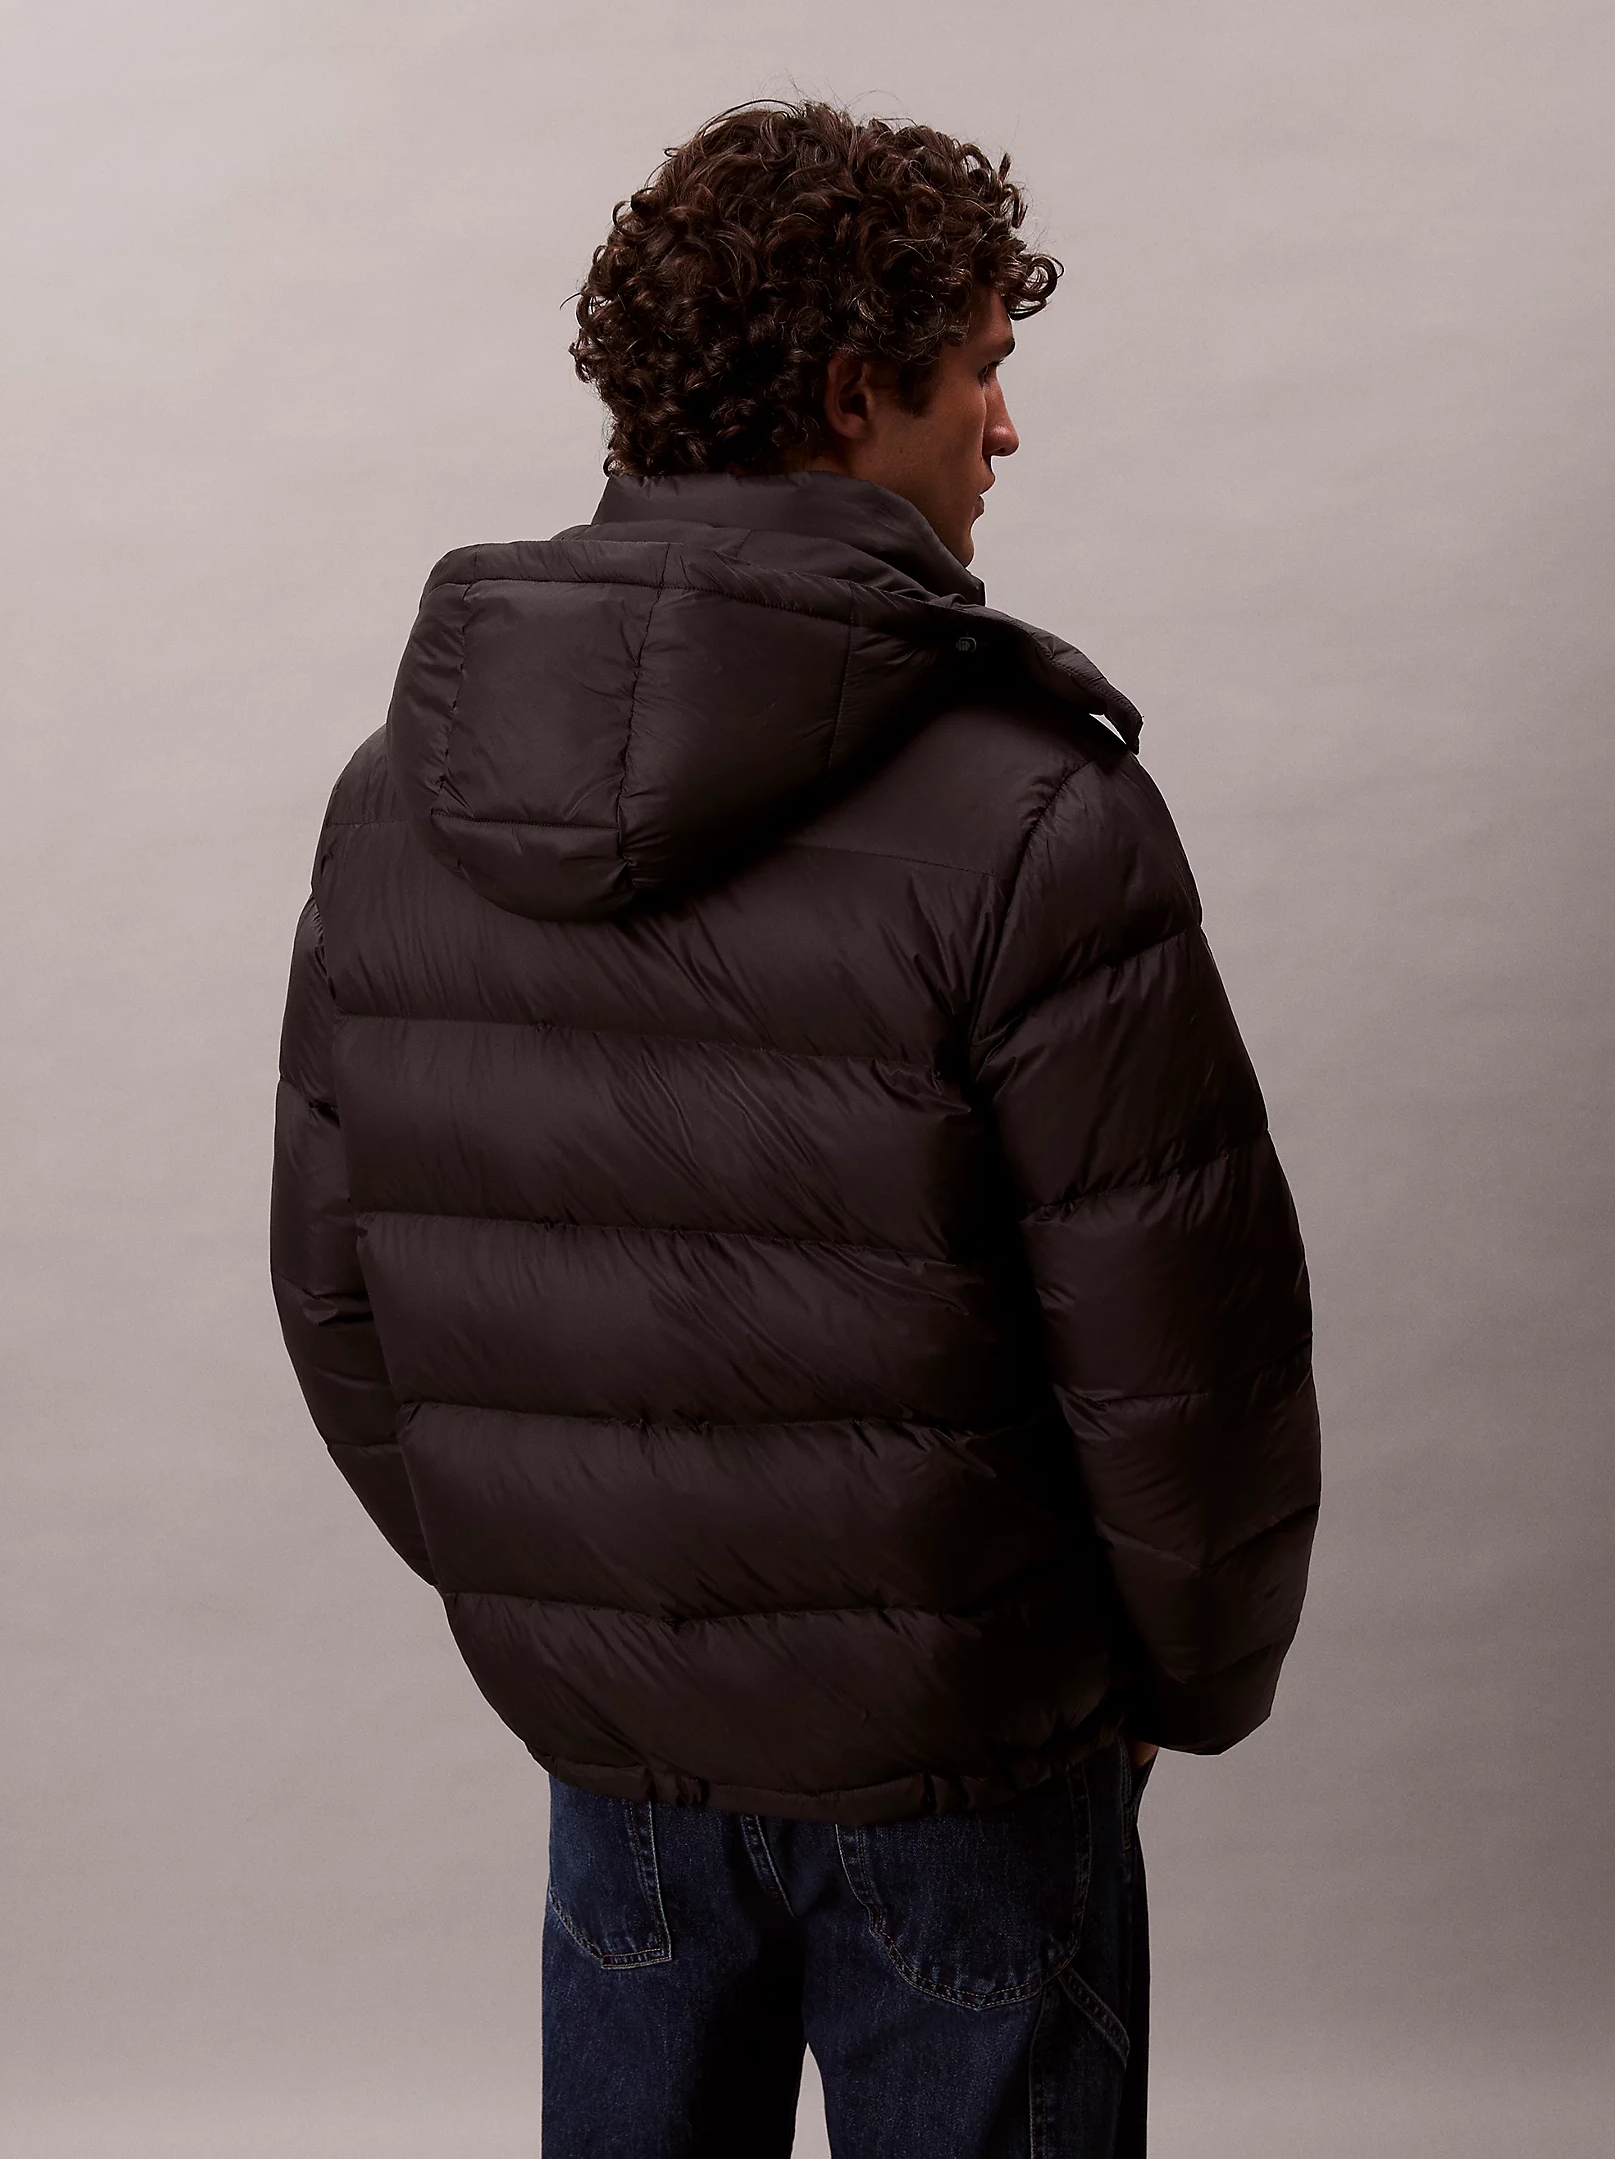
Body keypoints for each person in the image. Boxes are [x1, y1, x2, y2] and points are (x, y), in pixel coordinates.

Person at [271, 99, 1320, 2159]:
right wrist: (1175, 1692)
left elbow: (337, 1298)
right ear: (855, 396)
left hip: (622, 1783)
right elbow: (1183, 1360)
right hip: (970, 1772)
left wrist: (600, 1616)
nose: (1004, 428)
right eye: (977, 370)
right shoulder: (1037, 811)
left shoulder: (400, 796)